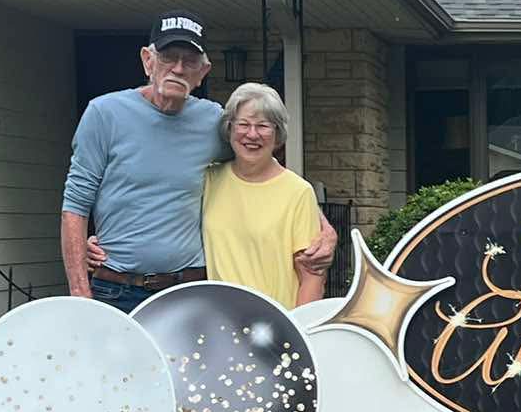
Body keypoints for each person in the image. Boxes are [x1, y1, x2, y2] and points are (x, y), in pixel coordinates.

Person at [60, 16, 225, 311]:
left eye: (189, 61)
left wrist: (320, 225)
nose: (177, 68)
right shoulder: (104, 113)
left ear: (203, 72)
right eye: (168, 58)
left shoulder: (214, 121)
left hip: (187, 291)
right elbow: (75, 204)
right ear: (148, 60)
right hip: (116, 290)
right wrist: (80, 294)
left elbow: (260, 171)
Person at [194, 81, 334, 307]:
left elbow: (312, 277)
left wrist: (296, 332)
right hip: (220, 322)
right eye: (243, 124)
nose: (252, 134)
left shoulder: (297, 192)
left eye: (263, 126)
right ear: (229, 129)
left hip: (274, 326)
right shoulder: (209, 179)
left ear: (278, 134)